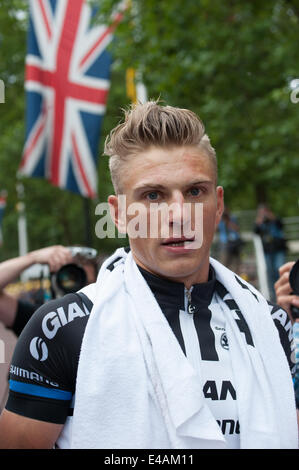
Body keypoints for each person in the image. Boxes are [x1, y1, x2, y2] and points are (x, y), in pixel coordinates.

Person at [0, 101, 297, 449]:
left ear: (218, 207)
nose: (179, 214)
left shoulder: (272, 325)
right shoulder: (64, 329)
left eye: (194, 191)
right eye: (153, 195)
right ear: (120, 213)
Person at [0, 245, 98, 336]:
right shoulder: (40, 320)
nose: (77, 291)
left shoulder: (104, 319)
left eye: (86, 284)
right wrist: (34, 257)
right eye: (69, 280)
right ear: (55, 280)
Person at [254, 204, 287, 301]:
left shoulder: (274, 220)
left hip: (278, 249)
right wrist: (258, 222)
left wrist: (271, 217)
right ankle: (274, 295)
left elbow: (281, 225)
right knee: (270, 272)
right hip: (267, 251)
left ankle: (284, 291)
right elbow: (255, 232)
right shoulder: (260, 222)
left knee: (279, 269)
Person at [218, 207, 243, 274]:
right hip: (225, 244)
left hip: (235, 243)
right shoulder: (219, 219)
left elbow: (237, 229)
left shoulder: (233, 218)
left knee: (236, 264)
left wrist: (228, 222)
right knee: (224, 263)